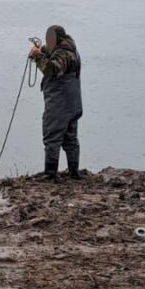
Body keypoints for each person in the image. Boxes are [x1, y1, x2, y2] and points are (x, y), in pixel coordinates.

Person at [29, 25, 83, 181]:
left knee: (52, 138)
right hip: (73, 104)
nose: (47, 42)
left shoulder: (63, 54)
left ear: (55, 39)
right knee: (70, 139)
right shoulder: (70, 49)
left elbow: (51, 70)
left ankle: (50, 174)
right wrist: (42, 51)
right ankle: (74, 173)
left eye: (49, 39)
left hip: (59, 105)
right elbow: (52, 53)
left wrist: (38, 57)